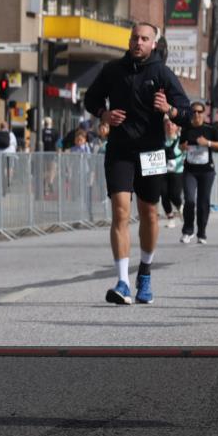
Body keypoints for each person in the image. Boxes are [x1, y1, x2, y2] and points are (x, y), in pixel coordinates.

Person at [83, 22, 191, 306]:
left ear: (153, 43)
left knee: (150, 214)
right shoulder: (113, 70)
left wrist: (169, 109)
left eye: (144, 38)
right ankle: (122, 282)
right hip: (120, 150)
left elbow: (187, 113)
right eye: (134, 38)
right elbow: (90, 99)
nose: (138, 42)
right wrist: (104, 114)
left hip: (152, 151)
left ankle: (144, 273)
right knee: (120, 212)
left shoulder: (161, 73)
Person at [179, 101, 218, 244]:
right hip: (190, 170)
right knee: (189, 200)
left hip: (206, 171)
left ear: (204, 113)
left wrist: (208, 143)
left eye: (199, 111)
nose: (196, 114)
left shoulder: (210, 129)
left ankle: (202, 232)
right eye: (193, 111)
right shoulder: (186, 129)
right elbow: (181, 145)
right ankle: (188, 231)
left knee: (203, 202)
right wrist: (183, 146)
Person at [160, 117, 184, 229]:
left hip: (177, 171)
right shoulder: (160, 140)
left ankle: (180, 208)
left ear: (177, 127)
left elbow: (187, 154)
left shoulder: (181, 140)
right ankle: (170, 219)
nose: (170, 127)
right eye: (167, 125)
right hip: (162, 171)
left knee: (174, 195)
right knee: (164, 194)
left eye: (172, 125)